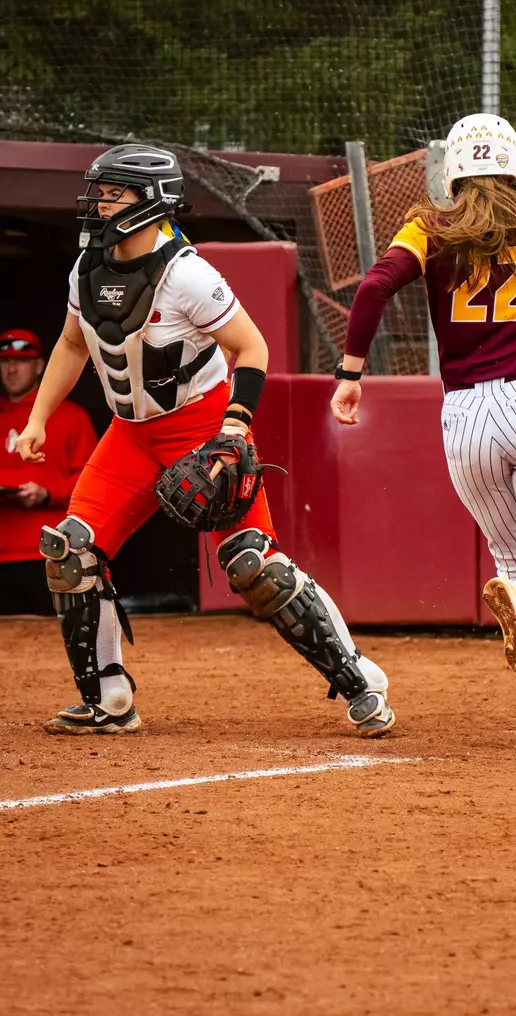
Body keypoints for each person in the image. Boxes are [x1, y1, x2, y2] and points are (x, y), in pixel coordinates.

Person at [16, 143, 395, 738]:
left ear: (150, 201)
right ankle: (107, 700)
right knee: (71, 552)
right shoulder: (88, 264)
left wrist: (236, 426)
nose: (99, 203)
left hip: (202, 426)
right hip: (129, 434)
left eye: (114, 192)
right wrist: (38, 418)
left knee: (252, 565)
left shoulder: (186, 272)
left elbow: (253, 348)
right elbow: (70, 344)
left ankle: (358, 681)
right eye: (101, 191)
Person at [331, 114, 516, 720]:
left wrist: (350, 376)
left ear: (453, 172)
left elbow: (373, 288)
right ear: (514, 165)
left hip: (465, 416)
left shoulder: (427, 226)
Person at [0, 328, 95, 615]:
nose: (12, 369)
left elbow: (91, 481)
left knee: (52, 642)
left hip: (49, 553)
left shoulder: (72, 417)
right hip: (2, 552)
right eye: (5, 362)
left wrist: (47, 493)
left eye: (22, 361)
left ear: (41, 366)